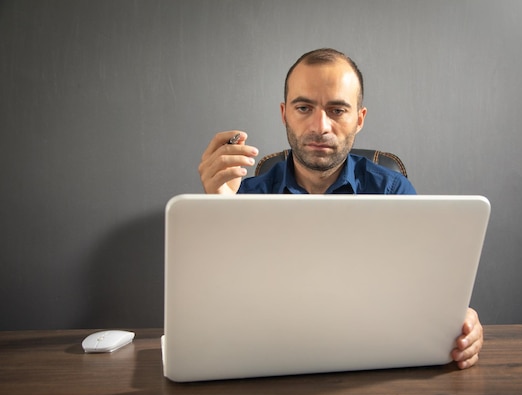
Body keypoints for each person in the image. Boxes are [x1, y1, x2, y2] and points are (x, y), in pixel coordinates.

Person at [198, 48, 483, 369]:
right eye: (304, 107)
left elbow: (428, 294)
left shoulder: (393, 193)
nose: (320, 126)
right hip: (272, 362)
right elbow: (222, 313)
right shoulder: (242, 198)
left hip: (372, 362)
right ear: (284, 114)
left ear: (359, 119)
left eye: (337, 110)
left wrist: (460, 319)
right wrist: (218, 209)